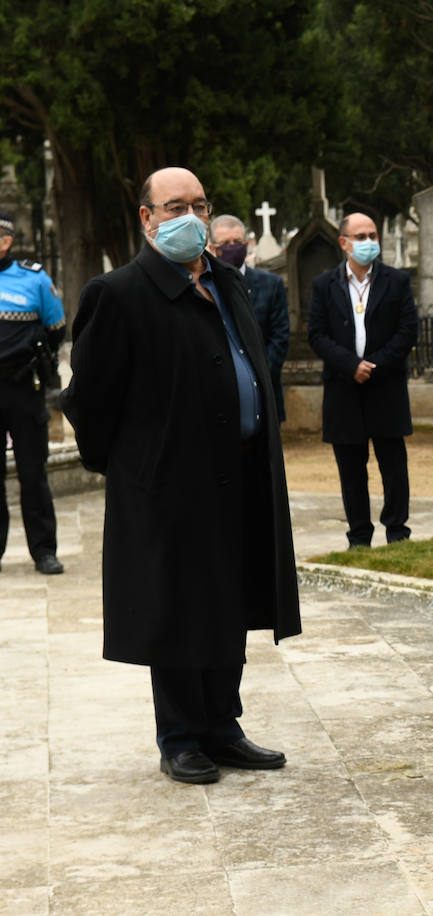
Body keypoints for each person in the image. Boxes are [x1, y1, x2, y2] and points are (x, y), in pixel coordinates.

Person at [62, 166, 300, 784]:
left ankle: (223, 726)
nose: (188, 217)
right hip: (168, 484)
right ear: (147, 219)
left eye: (198, 204)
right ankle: (181, 736)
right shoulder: (118, 294)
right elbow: (88, 401)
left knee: (231, 598)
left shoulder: (227, 282)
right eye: (174, 207)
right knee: (177, 606)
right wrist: (133, 465)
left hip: (240, 473)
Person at [307, 212, 419, 549]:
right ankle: (359, 535)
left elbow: (407, 330)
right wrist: (350, 365)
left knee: (393, 465)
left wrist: (375, 365)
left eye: (372, 235)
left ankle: (397, 530)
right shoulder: (324, 285)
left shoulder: (396, 281)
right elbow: (316, 333)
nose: (369, 242)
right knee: (351, 468)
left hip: (385, 386)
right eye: (360, 236)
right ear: (344, 243)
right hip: (344, 388)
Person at [0, 210, 65, 575]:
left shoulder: (33, 279)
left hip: (24, 388)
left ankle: (44, 551)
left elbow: (56, 328)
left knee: (33, 472)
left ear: (6, 241)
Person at [208, 214, 290, 422]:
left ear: (247, 245)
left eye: (237, 242)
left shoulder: (271, 285)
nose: (232, 247)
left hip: (265, 393)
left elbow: (280, 337)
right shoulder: (202, 287)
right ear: (211, 247)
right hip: (217, 398)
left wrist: (258, 376)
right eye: (225, 243)